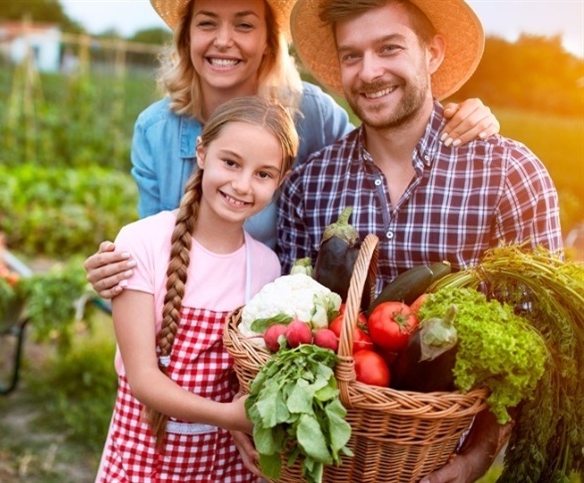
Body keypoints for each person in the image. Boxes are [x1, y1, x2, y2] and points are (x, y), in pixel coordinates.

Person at [278, 0, 563, 481]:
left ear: (432, 53)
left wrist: (476, 458)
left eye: (389, 48)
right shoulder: (308, 185)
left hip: (444, 462)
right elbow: (292, 331)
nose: (369, 72)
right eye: (351, 56)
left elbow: (538, 349)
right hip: (325, 458)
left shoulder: (511, 176)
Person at [85, 0, 500, 299]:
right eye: (207, 23)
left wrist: (460, 113)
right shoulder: (155, 130)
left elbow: (382, 138)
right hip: (189, 315)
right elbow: (153, 245)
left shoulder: (311, 114)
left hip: (269, 321)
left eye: (244, 25)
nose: (223, 41)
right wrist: (118, 269)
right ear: (187, 37)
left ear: (269, 40)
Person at [95, 95, 297, 482]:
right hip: (144, 455)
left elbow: (246, 375)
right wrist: (231, 415)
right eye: (231, 162)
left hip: (224, 463)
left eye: (263, 174)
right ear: (202, 153)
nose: (242, 184)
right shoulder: (143, 243)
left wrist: (242, 412)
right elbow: (143, 380)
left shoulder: (266, 267)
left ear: (280, 180)